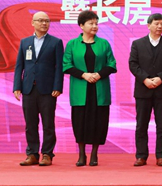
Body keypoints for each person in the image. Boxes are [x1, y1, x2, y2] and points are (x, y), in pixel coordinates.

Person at [63, 10, 117, 167]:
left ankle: (94, 153)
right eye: (91, 23)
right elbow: (66, 65)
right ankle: (81, 154)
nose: (95, 26)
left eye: (96, 23)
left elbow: (112, 64)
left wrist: (99, 74)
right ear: (81, 25)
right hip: (80, 89)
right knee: (80, 122)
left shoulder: (104, 43)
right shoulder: (72, 44)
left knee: (99, 122)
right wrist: (84, 75)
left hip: (99, 89)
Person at [14, 12, 64, 167]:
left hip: (48, 90)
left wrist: (57, 86)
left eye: (47, 21)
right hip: (28, 89)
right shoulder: (25, 42)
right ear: (33, 23)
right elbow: (19, 66)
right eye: (41, 21)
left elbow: (59, 67)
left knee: (48, 123)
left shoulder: (56, 42)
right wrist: (17, 86)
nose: (44, 23)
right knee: (30, 124)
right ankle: (32, 154)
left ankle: (47, 154)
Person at [129, 13, 162, 167]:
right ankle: (141, 156)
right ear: (148, 25)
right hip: (143, 90)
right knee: (141, 124)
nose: (159, 26)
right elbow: (133, 64)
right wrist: (145, 79)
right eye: (156, 24)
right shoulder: (138, 44)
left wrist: (160, 78)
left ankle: (161, 156)